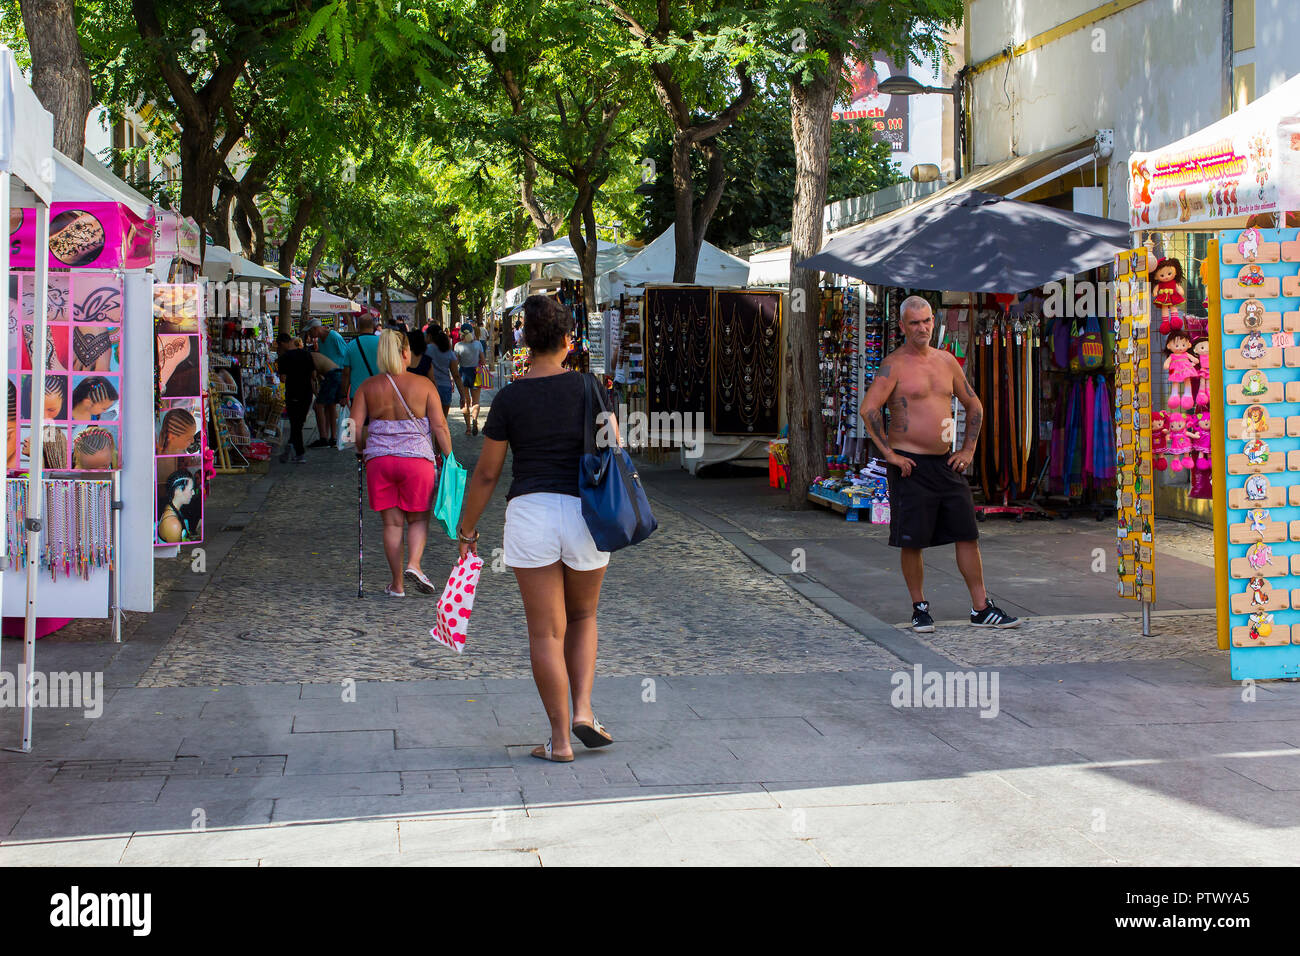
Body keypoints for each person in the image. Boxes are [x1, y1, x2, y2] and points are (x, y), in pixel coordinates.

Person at [456, 294, 615, 763]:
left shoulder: (509, 397)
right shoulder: (591, 388)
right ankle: (584, 710)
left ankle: (560, 741)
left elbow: (486, 473)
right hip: (586, 512)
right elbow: (614, 448)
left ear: (524, 339)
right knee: (583, 617)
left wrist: (467, 531)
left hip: (531, 512)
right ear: (569, 340)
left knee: (546, 633)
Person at [859, 295, 1020, 633]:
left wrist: (968, 450)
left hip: (946, 464)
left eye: (927, 321)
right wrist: (889, 455)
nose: (922, 328)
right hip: (910, 467)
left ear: (933, 321)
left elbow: (974, 406)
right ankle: (920, 608)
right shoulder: (894, 364)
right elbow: (869, 409)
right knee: (912, 540)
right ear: (902, 326)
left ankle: (980, 607)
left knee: (967, 533)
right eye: (914, 323)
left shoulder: (947, 362)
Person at [350, 329, 453, 597]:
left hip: (379, 462)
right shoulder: (424, 385)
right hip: (417, 461)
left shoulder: (367, 387)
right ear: (406, 353)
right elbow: (440, 426)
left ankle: (397, 584)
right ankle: (415, 565)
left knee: (392, 524)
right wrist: (449, 456)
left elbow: (353, 428)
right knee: (418, 519)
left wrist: (361, 450)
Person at [304, 317, 348, 448]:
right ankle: (332, 438)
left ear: (315, 329)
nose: (310, 335)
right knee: (330, 406)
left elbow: (345, 354)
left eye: (310, 332)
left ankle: (324, 437)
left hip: (336, 374)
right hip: (329, 376)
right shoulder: (320, 342)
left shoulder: (334, 336)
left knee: (319, 406)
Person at [276, 332, 315, 463]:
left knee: (295, 423)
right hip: (307, 393)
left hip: (293, 392)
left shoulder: (284, 357)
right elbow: (313, 375)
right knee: (299, 423)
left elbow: (282, 378)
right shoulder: (306, 354)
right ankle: (292, 448)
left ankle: (298, 452)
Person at [341, 315, 381, 408]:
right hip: (380, 393)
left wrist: (343, 395)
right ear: (374, 327)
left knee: (360, 422)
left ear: (358, 327)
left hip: (357, 394)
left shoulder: (351, 346)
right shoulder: (383, 343)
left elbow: (346, 374)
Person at [454, 323, 485, 435]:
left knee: (465, 401)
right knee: (476, 401)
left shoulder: (458, 346)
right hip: (476, 373)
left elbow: (456, 362)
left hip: (463, 374)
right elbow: (483, 361)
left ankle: (467, 428)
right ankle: (475, 420)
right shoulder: (478, 344)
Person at [426, 325, 464, 414]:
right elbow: (456, 375)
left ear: (430, 336)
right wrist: (462, 396)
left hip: (429, 388)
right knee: (442, 421)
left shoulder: (425, 350)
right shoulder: (449, 352)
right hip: (445, 388)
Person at [157, 469, 196, 543]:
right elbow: (176, 552)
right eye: (191, 489)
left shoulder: (170, 508)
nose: (193, 493)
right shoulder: (173, 525)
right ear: (178, 491)